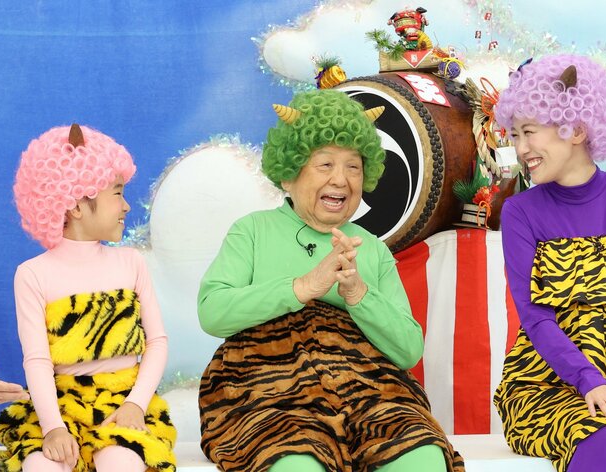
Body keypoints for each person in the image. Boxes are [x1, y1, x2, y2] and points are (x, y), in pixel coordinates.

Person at [198, 89, 464, 472]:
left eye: (353, 166)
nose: (341, 179)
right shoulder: (252, 231)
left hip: (369, 391)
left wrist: (358, 294)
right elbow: (213, 312)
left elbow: (408, 349)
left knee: (422, 457)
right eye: (325, 164)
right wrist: (303, 287)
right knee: (296, 464)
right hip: (267, 390)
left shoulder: (372, 250)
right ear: (289, 174)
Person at [493, 54, 606, 472]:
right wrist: (589, 381)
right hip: (545, 385)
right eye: (515, 135)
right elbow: (534, 316)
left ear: (575, 129)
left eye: (529, 132)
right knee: (602, 433)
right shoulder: (520, 212)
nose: (520, 148)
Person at [0, 125, 176, 472]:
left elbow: (157, 342)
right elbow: (38, 360)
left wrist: (136, 404)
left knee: (121, 462)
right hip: (62, 407)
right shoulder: (33, 274)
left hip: (123, 402)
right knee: (41, 466)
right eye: (117, 193)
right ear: (75, 205)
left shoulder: (131, 263)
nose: (126, 205)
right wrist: (53, 428)